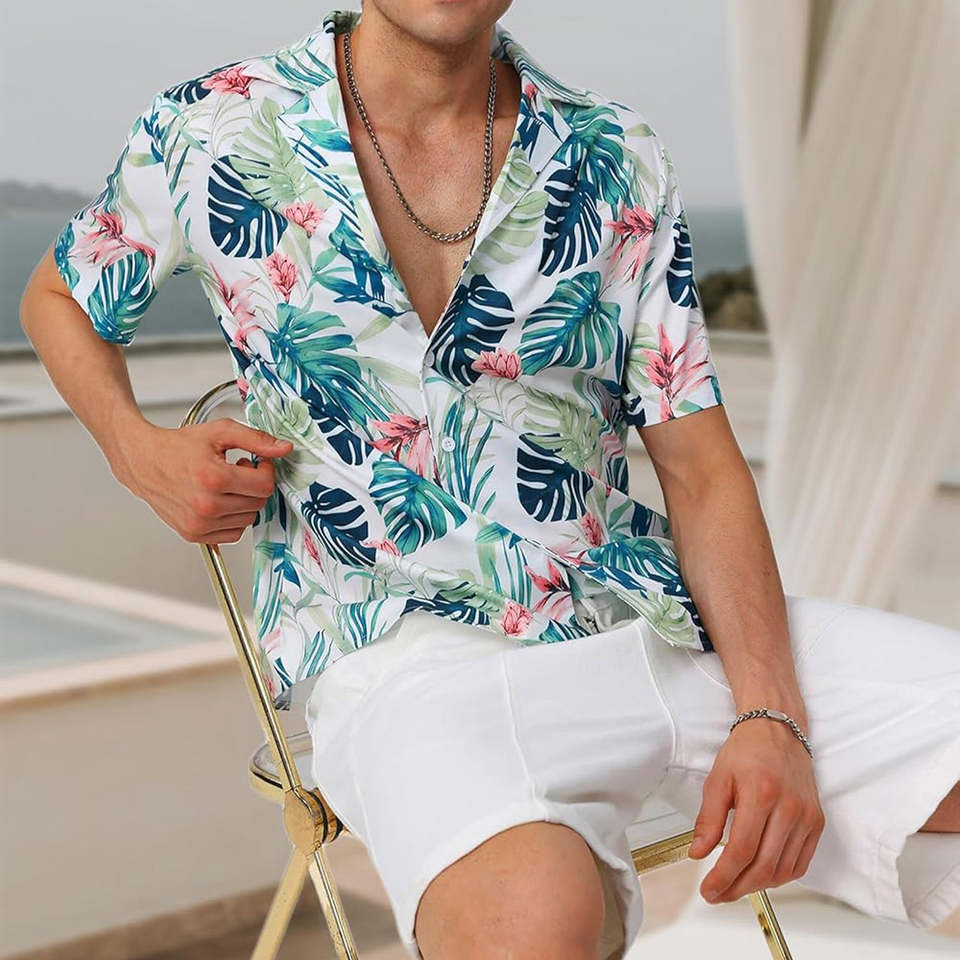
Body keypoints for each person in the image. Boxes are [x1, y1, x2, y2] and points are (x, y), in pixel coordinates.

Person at [20, 3, 960, 959]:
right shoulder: (214, 127)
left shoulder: (614, 154)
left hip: (649, 616)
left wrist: (769, 713)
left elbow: (701, 466)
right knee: (530, 930)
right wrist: (136, 451)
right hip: (408, 657)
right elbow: (60, 296)